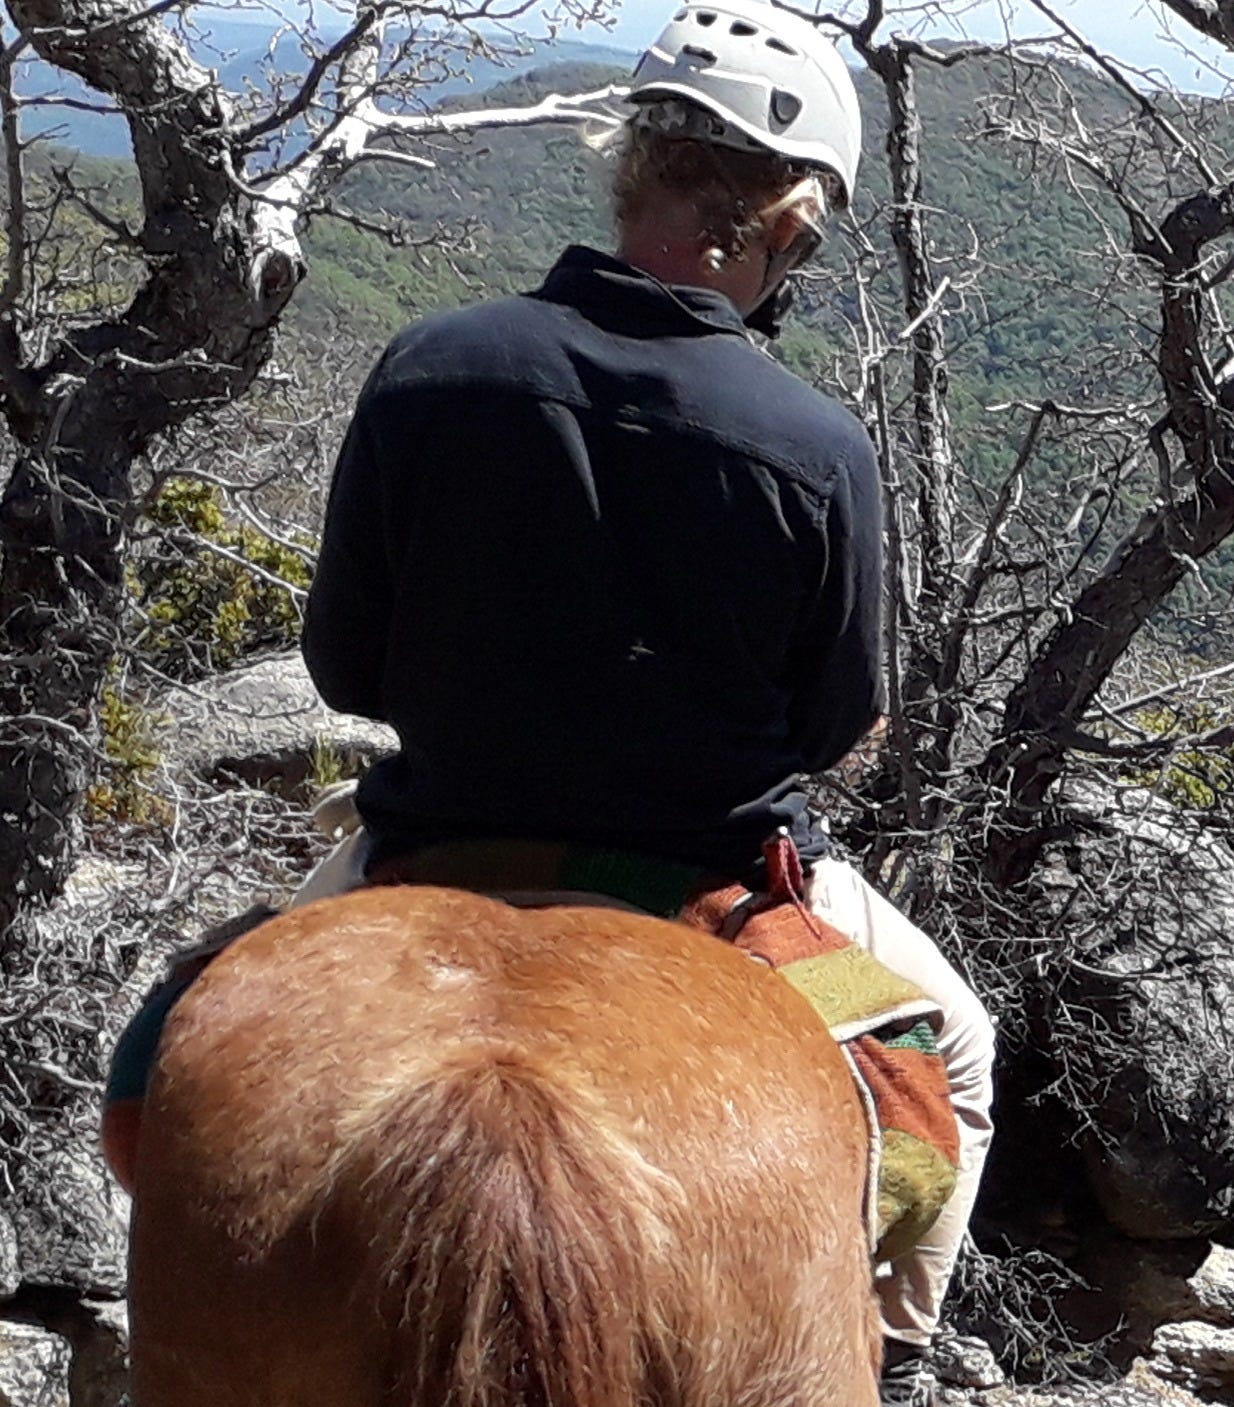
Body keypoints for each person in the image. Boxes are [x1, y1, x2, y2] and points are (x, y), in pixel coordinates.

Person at [290, 4, 991, 1399]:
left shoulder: (433, 365)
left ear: (631, 170)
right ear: (790, 225)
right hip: (718, 891)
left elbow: (344, 667)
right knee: (947, 1053)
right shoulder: (814, 445)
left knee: (184, 1031)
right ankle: (879, 1352)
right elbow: (831, 718)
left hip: (425, 848)